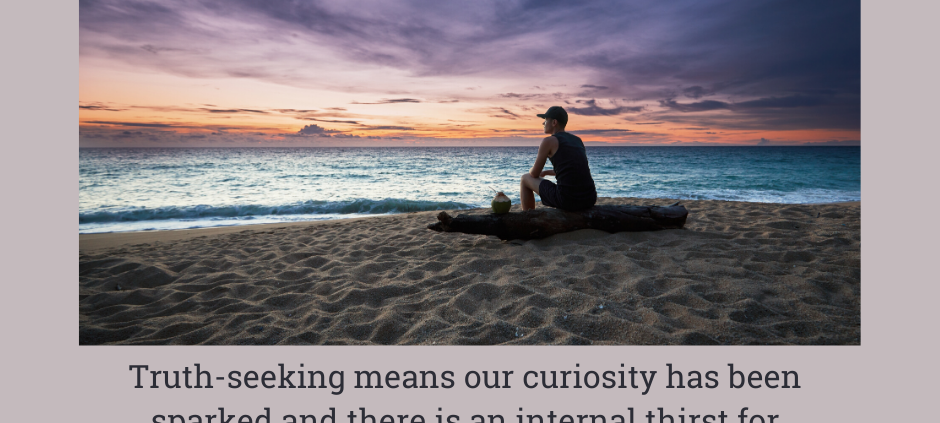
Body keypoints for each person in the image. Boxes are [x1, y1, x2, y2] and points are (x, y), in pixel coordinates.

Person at [520, 106, 597, 211]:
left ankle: (528, 219)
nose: (543, 123)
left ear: (554, 122)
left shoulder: (549, 141)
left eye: (546, 120)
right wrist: (546, 172)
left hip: (567, 200)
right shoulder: (577, 140)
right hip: (589, 198)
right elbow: (572, 169)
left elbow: (534, 174)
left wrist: (531, 172)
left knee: (525, 179)